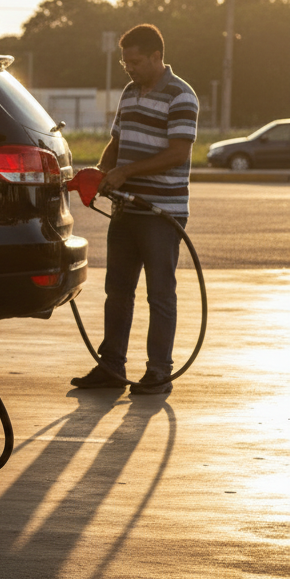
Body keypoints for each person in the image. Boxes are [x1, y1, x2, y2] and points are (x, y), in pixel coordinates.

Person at [71, 23, 198, 395]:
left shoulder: (181, 96)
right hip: (126, 211)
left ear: (157, 57)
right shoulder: (129, 92)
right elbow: (116, 141)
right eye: (126, 62)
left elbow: (178, 152)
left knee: (159, 294)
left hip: (161, 213)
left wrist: (126, 172)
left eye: (136, 62)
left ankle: (159, 371)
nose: (130, 68)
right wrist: (102, 172)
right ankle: (111, 366)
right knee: (118, 290)